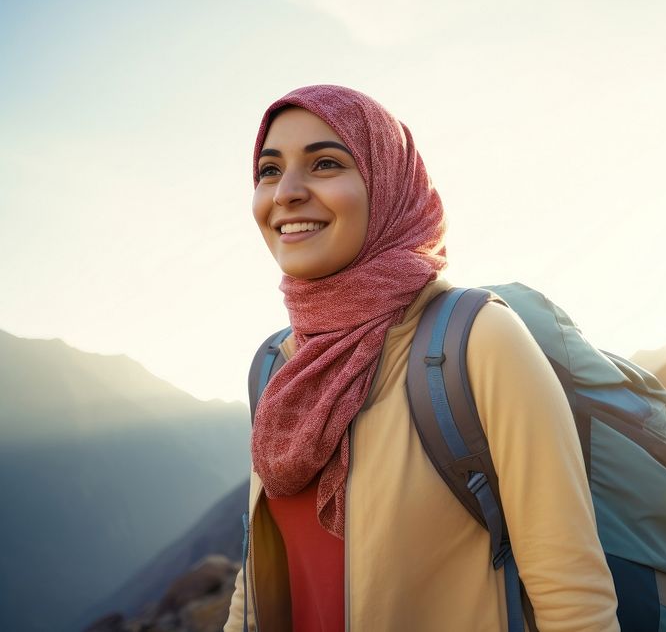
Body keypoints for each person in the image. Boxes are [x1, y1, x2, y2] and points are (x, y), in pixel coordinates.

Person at [223, 84, 620, 632]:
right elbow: (256, 591)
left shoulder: (478, 340)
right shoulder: (278, 366)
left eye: (325, 163)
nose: (285, 192)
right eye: (269, 171)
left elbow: (573, 599)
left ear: (387, 184)